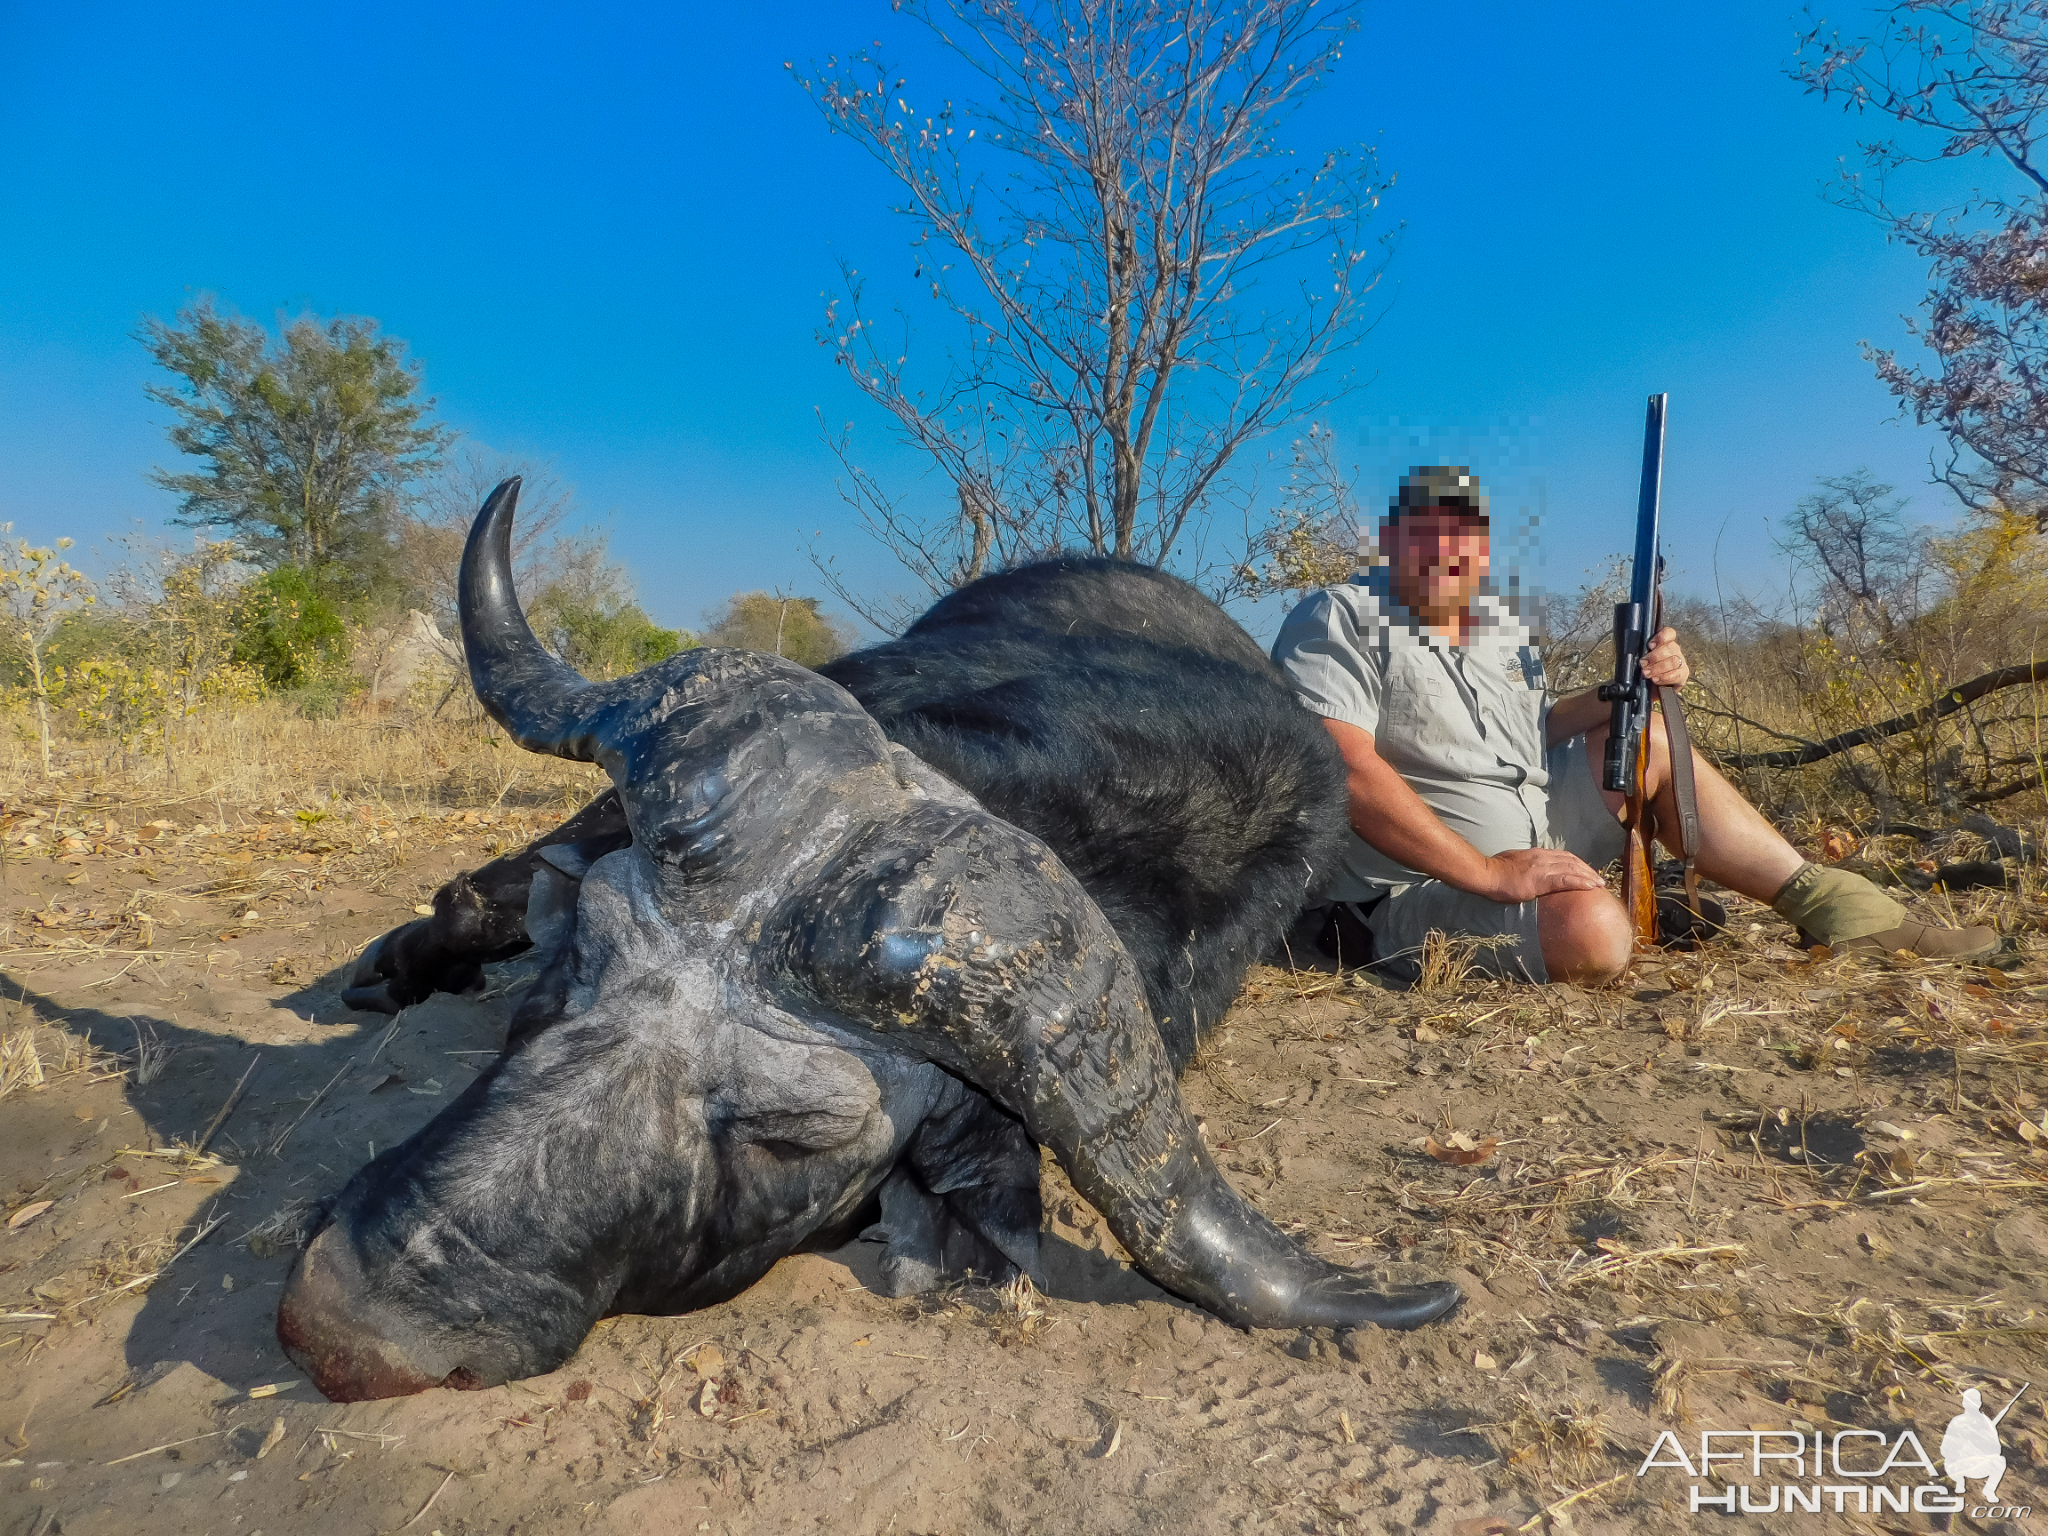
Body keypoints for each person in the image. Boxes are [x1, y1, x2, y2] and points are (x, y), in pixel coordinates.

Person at [1271, 465, 2000, 986]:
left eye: (1463, 536)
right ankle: (1379, 942)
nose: (1446, 551)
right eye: (1426, 533)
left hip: (1531, 848)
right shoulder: (1340, 614)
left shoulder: (1496, 630)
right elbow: (1340, 765)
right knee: (1594, 936)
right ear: (1393, 539)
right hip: (1407, 888)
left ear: (1481, 550)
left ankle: (1833, 906)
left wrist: (1629, 686)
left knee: (1644, 734)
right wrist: (1487, 872)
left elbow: (1536, 730)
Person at [1941, 1388, 2007, 1501]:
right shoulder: (1957, 1422)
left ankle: (1989, 1491)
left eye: (1974, 1401)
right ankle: (1959, 1482)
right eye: (1968, 1401)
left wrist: (1982, 1440)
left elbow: (1996, 1450)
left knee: (2000, 1461)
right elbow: (1945, 1449)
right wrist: (1960, 1442)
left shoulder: (1986, 1423)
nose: (1971, 1404)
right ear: (1963, 1403)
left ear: (1979, 1403)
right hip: (1958, 1465)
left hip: (1979, 1464)